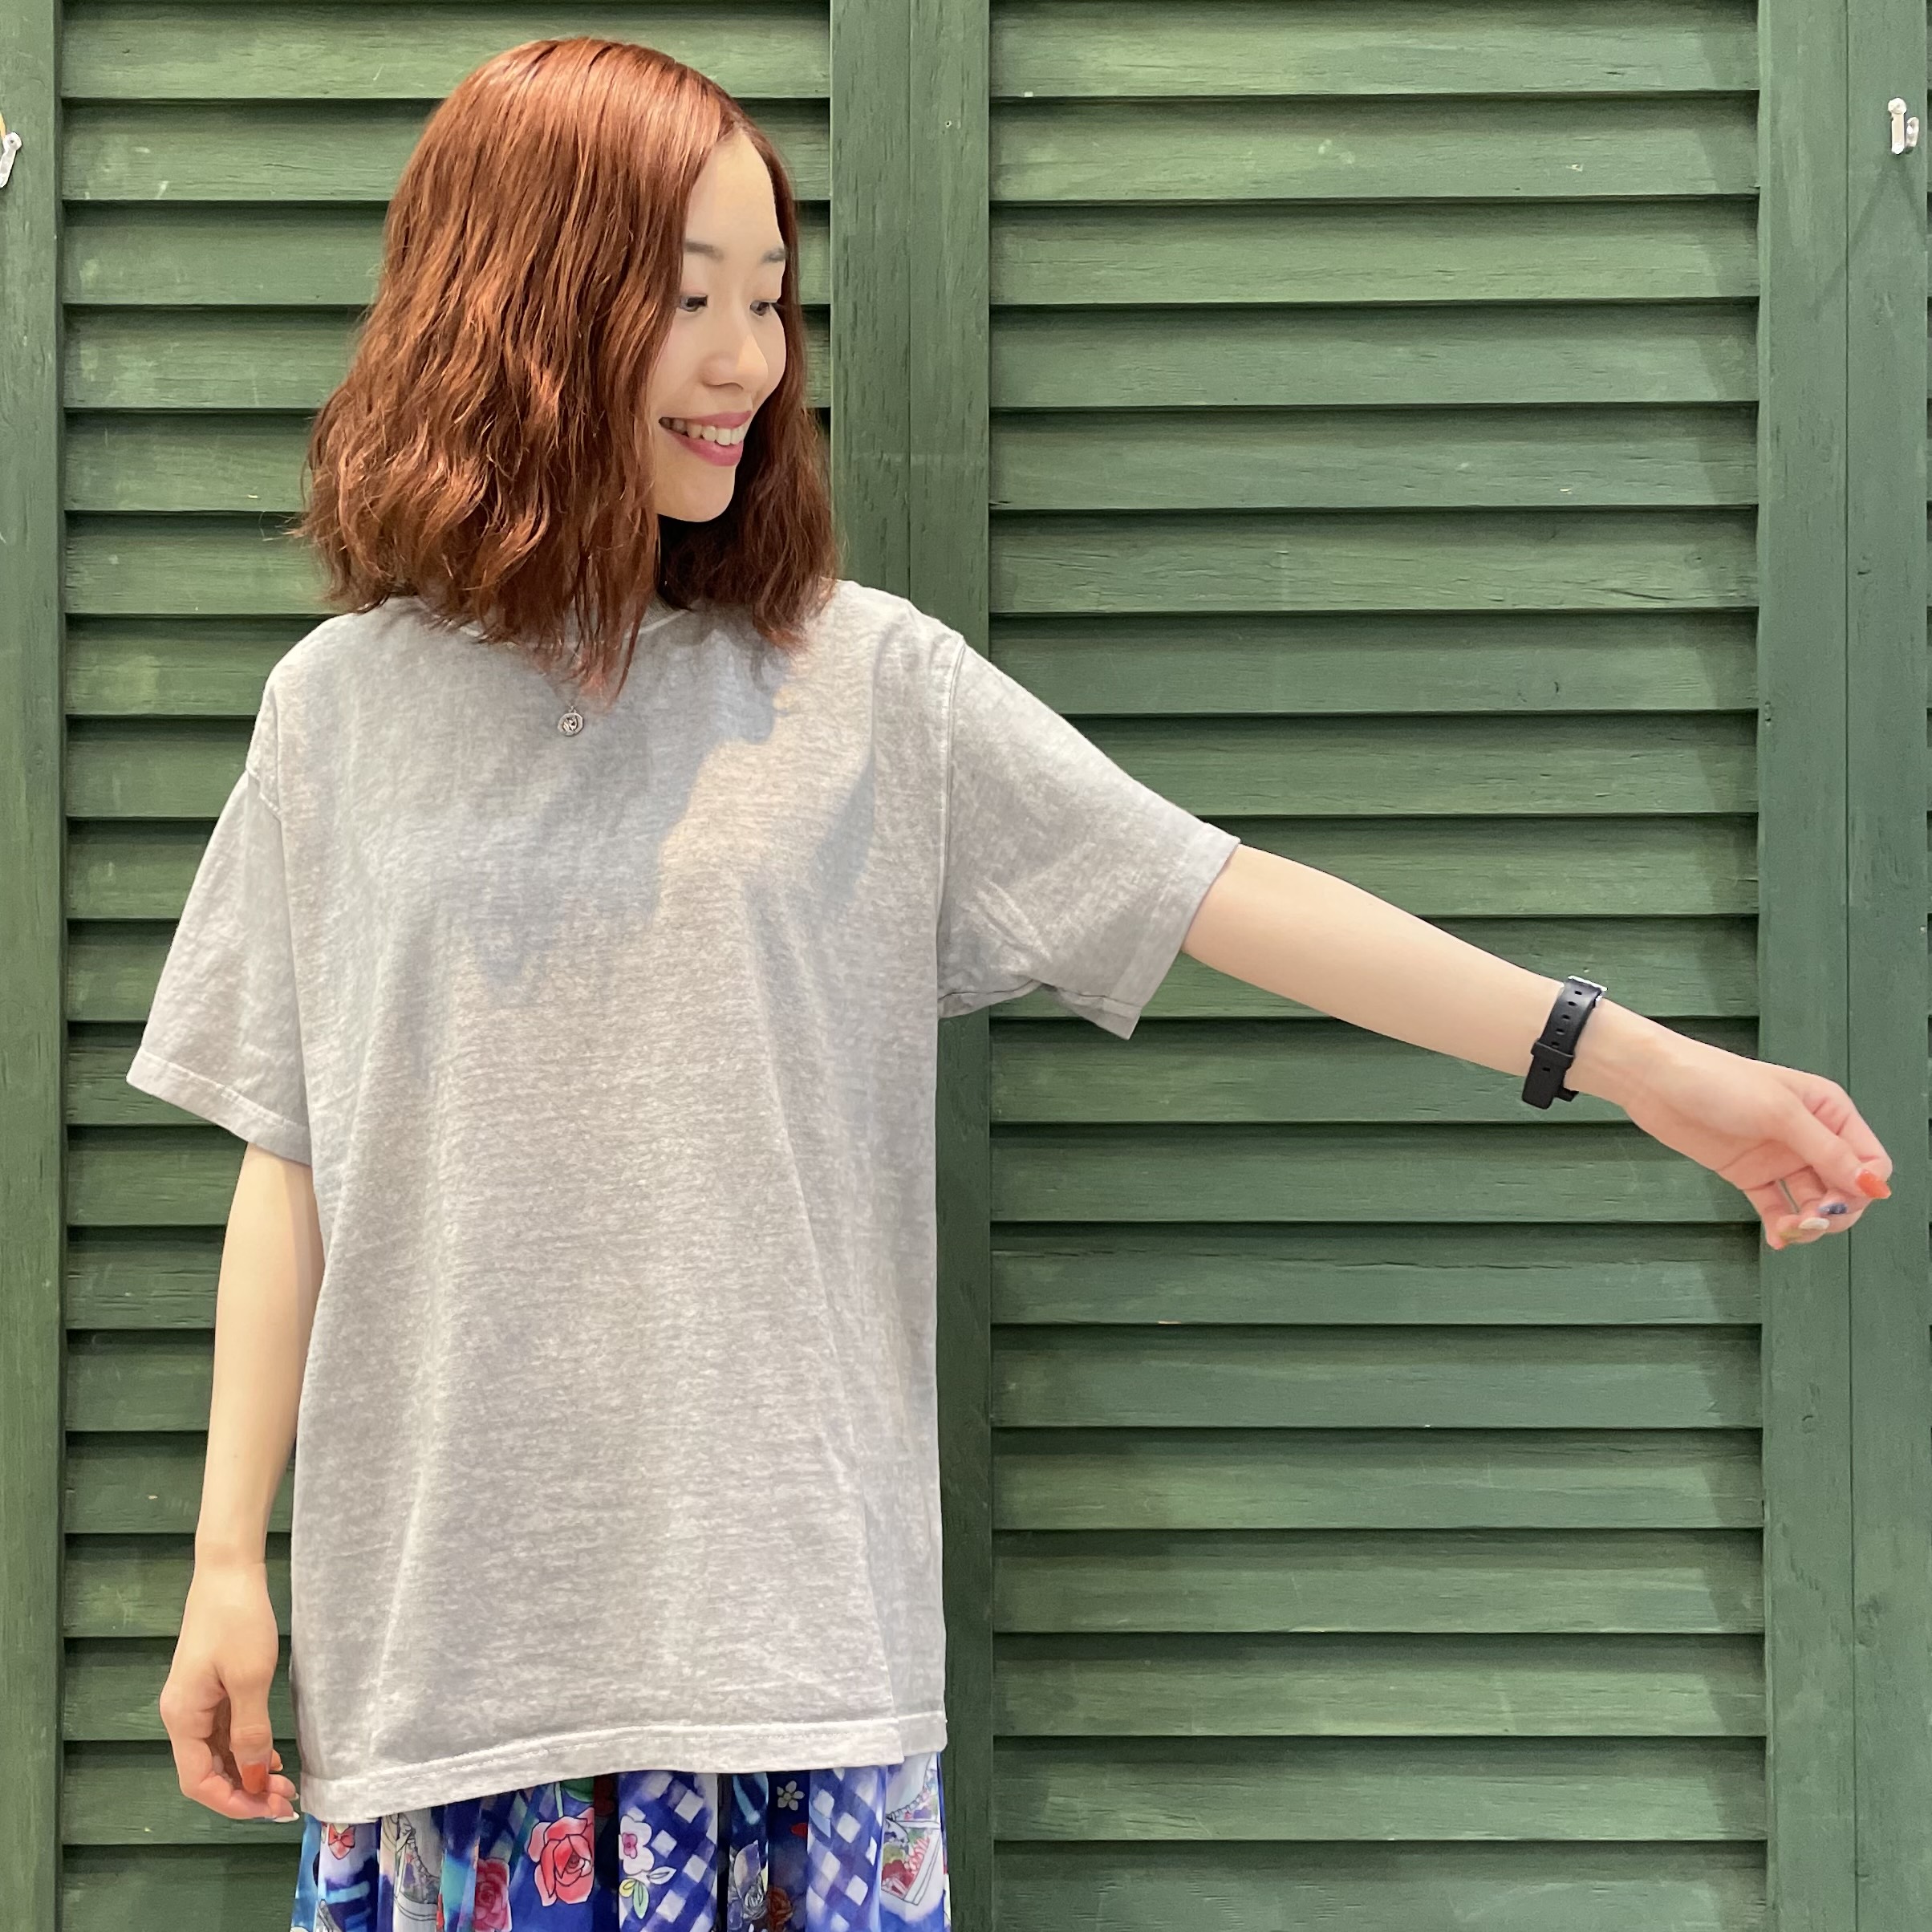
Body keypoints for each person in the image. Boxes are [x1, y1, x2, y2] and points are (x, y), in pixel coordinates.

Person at [129, 34, 1893, 1932]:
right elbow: (293, 1149)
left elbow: (1214, 891)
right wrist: (227, 1559)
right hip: (445, 1681)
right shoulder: (336, 716)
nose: (748, 362)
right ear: (525, 305)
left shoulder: (859, 686)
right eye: (691, 299)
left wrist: (1636, 1064)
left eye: (770, 301)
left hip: (793, 1672)